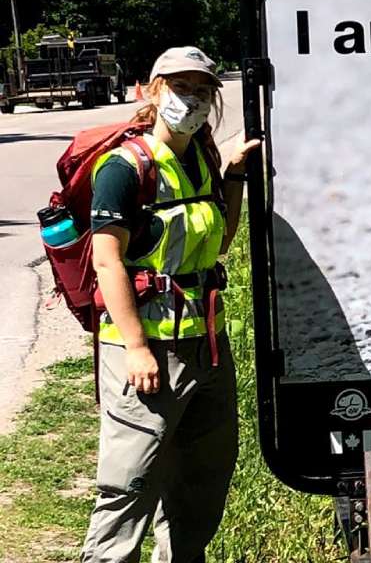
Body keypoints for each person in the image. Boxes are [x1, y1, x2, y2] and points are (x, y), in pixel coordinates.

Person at [80, 46, 259, 563]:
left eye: (202, 90)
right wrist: (136, 347)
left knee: (201, 483)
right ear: (152, 91)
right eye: (181, 87)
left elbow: (219, 242)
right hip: (146, 352)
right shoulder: (125, 166)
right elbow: (108, 263)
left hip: (205, 347)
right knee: (130, 484)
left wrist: (233, 176)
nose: (193, 99)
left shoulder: (201, 158)